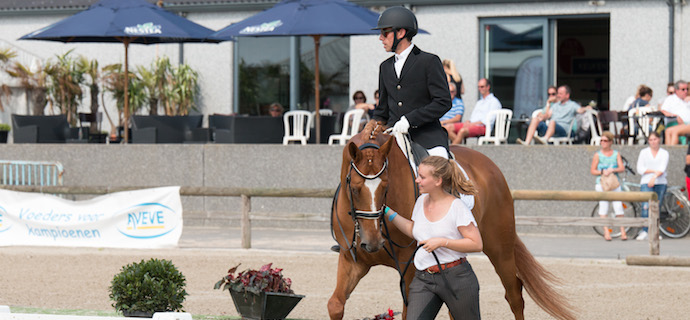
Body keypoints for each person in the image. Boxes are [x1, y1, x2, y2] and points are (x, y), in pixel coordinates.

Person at [383, 156, 482, 319]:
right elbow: (415, 230)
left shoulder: (457, 207)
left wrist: (442, 242)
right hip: (424, 279)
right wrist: (388, 212)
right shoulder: (420, 201)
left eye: (422, 177)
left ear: (438, 181)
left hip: (457, 279)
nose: (417, 180)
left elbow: (476, 243)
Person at [372, 6, 451, 159]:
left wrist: (410, 119)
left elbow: (443, 102)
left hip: (426, 136)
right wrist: (370, 128)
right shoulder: (385, 67)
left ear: (401, 33)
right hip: (393, 137)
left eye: (384, 32)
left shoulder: (429, 61)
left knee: (439, 169)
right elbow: (382, 110)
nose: (380, 38)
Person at [517, 85, 592, 145]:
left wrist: (586, 108)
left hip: (564, 130)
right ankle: (527, 142)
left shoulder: (572, 105)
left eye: (560, 94)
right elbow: (548, 115)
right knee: (535, 120)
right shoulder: (555, 105)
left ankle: (545, 139)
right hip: (551, 128)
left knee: (552, 122)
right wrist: (541, 117)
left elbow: (580, 110)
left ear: (567, 95)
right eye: (558, 93)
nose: (558, 95)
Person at [590, 131, 627, 241]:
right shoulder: (597, 155)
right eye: (601, 141)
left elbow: (621, 168)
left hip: (614, 182)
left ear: (610, 142)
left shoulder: (616, 154)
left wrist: (613, 170)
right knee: (603, 207)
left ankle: (622, 230)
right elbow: (593, 170)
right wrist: (602, 171)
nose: (603, 143)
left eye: (605, 141)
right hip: (602, 182)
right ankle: (606, 231)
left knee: (618, 206)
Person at [635, 132, 668, 240]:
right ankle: (645, 230)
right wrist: (654, 172)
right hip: (646, 182)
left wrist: (653, 177)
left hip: (660, 182)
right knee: (645, 206)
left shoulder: (664, 153)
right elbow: (640, 169)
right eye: (651, 140)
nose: (653, 142)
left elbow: (662, 168)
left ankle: (655, 230)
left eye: (655, 139)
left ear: (659, 140)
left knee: (656, 207)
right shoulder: (644, 152)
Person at [450, 78, 501, 144]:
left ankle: (452, 150)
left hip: (483, 127)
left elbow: (488, 121)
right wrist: (468, 122)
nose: (480, 89)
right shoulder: (479, 102)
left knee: (462, 131)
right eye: (479, 87)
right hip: (472, 124)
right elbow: (472, 117)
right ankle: (459, 145)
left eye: (482, 87)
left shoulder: (494, 102)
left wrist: (471, 124)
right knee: (448, 128)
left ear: (488, 87)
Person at [662, 80, 690, 145]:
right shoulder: (671, 99)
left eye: (687, 89)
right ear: (676, 90)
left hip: (687, 124)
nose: (686, 91)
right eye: (683, 89)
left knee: (674, 131)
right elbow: (663, 111)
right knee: (668, 131)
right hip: (675, 123)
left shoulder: (688, 100)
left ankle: (672, 152)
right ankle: (669, 153)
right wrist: (676, 116)